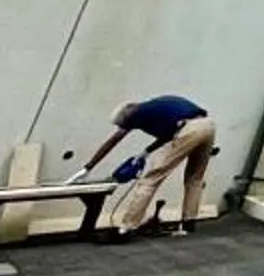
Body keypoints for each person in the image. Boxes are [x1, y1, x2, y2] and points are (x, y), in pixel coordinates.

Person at [77, 94, 216, 237]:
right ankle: (188, 224)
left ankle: (126, 228)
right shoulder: (153, 108)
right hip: (208, 125)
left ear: (127, 118)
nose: (122, 127)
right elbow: (170, 135)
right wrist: (146, 151)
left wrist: (88, 167)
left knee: (150, 180)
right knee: (194, 178)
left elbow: (113, 141)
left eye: (122, 124)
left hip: (189, 129)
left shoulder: (137, 113)